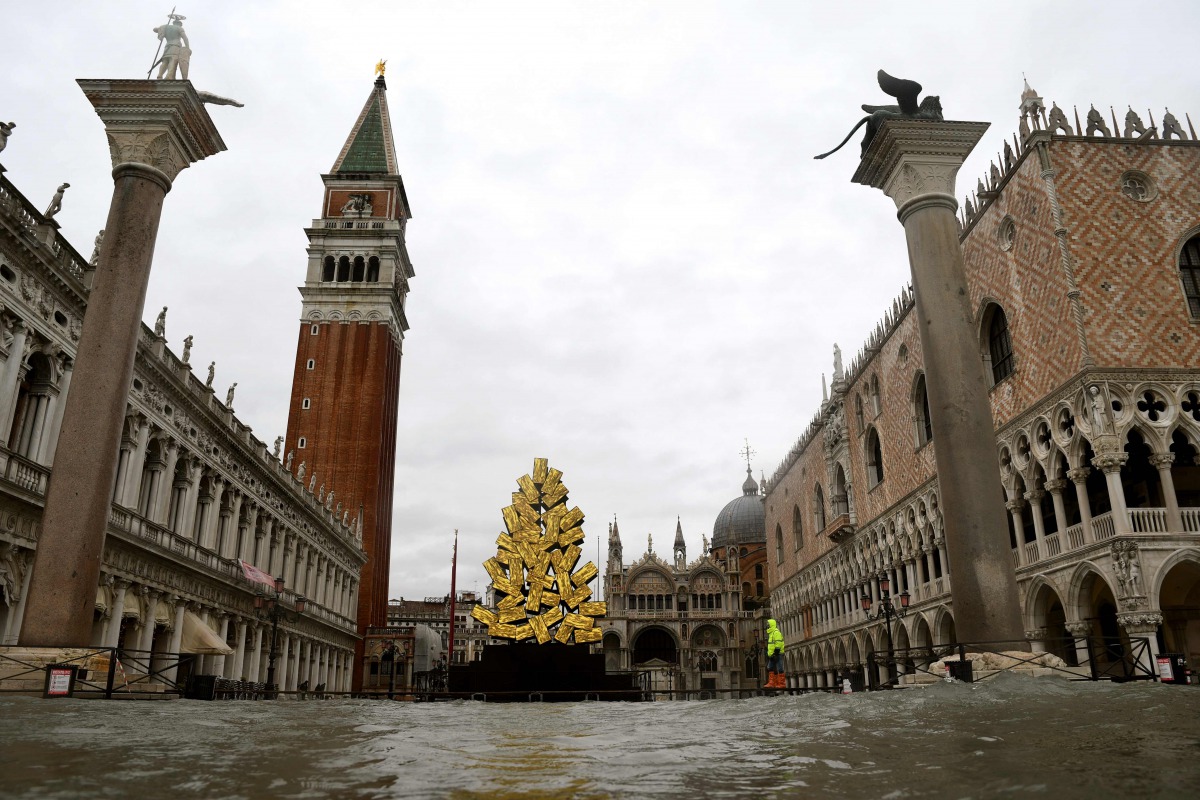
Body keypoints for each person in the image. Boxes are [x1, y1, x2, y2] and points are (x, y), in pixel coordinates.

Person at [765, 618, 785, 689]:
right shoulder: (771, 633)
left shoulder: (776, 632)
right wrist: (769, 654)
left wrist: (776, 653)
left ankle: (781, 683)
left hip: (777, 654)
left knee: (779, 668)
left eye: (768, 625)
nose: (767, 626)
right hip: (772, 654)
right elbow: (771, 645)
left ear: (771, 625)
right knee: (770, 667)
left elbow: (778, 643)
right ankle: (772, 683)